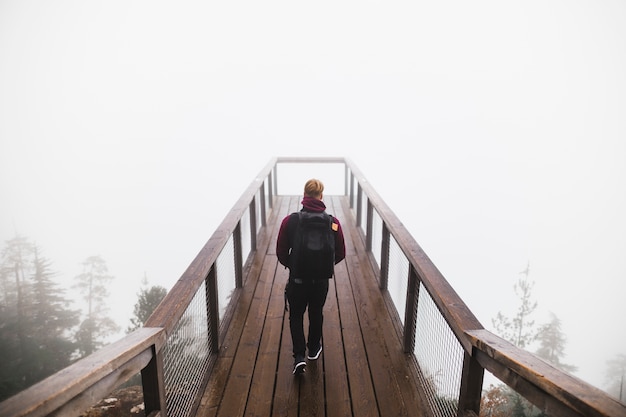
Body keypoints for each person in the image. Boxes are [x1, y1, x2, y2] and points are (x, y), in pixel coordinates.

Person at [276, 178, 346, 375]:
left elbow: (281, 251)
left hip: (297, 280)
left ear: (304, 196)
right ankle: (314, 349)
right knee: (316, 312)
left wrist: (294, 266)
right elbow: (341, 253)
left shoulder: (290, 221)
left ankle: (299, 357)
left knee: (296, 315)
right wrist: (323, 266)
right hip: (320, 281)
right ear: (321, 196)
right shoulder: (333, 223)